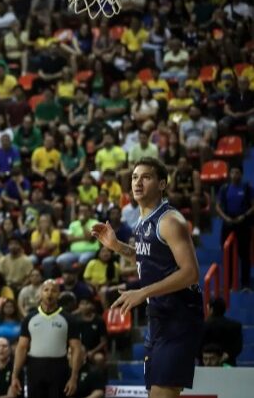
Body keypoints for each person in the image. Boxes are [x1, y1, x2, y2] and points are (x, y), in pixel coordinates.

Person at [91, 157, 203, 398]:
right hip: (158, 318)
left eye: (146, 177)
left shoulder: (170, 221)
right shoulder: (142, 222)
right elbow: (149, 258)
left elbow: (191, 272)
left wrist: (143, 292)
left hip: (179, 317)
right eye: (134, 177)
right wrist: (117, 246)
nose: (137, 182)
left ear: (162, 184)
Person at [11, 280, 82, 398]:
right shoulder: (29, 318)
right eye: (46, 290)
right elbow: (21, 348)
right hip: (35, 367)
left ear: (59, 294)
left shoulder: (69, 319)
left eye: (54, 291)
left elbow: (76, 349)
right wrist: (15, 376)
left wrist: (74, 377)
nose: (49, 294)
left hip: (59, 367)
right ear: (40, 293)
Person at [215, 166, 254, 290]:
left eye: (237, 172)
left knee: (244, 255)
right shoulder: (225, 188)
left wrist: (244, 216)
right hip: (228, 222)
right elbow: (218, 207)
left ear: (241, 175)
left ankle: (246, 284)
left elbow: (253, 206)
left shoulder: (247, 188)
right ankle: (230, 284)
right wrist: (225, 218)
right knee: (228, 254)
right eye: (232, 172)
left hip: (243, 222)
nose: (234, 175)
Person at [202, 298, 242, 366]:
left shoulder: (203, 326)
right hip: (228, 364)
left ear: (211, 309)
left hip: (206, 365)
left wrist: (206, 358)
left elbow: (197, 347)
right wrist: (228, 354)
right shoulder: (235, 326)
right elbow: (238, 347)